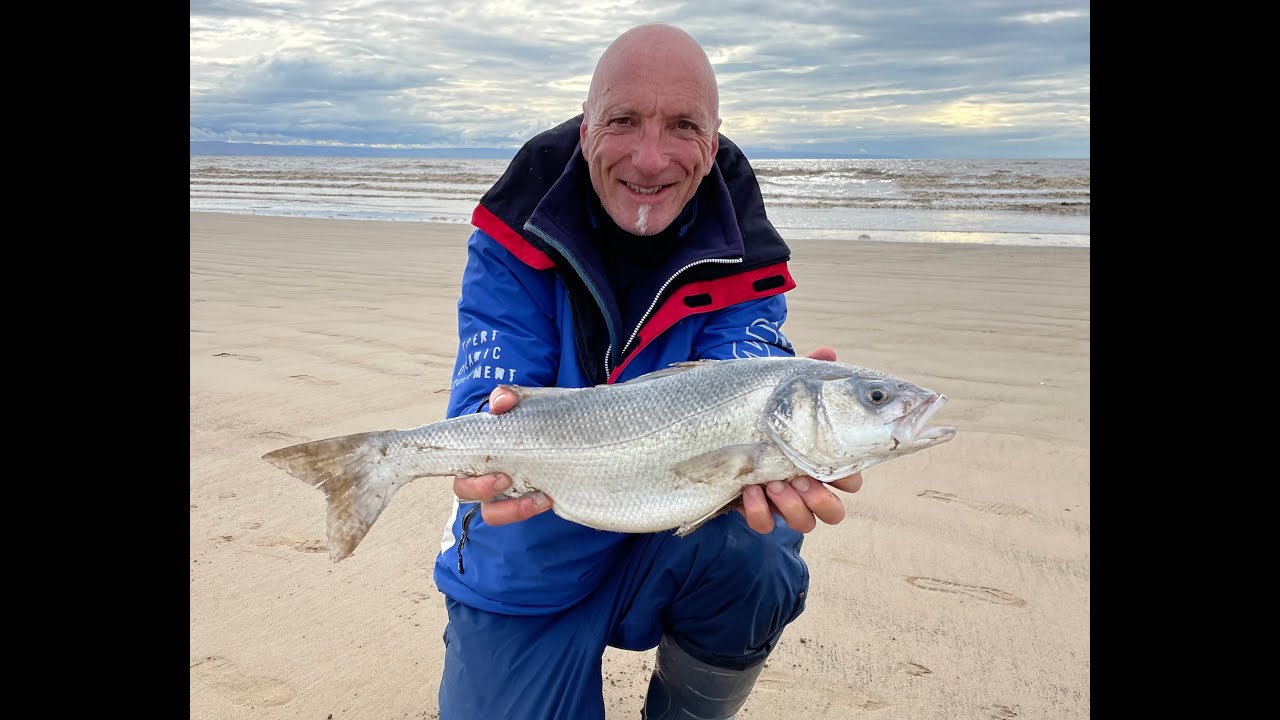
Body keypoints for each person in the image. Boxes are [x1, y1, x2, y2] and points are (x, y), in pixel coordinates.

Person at [434, 23, 863, 720]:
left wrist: (769, 449)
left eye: (683, 127)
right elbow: (489, 396)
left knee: (757, 555)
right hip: (532, 548)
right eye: (624, 122)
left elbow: (741, 377)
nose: (651, 157)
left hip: (673, 532)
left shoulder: (746, 256)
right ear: (584, 128)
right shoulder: (511, 236)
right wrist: (485, 453)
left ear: (714, 141)